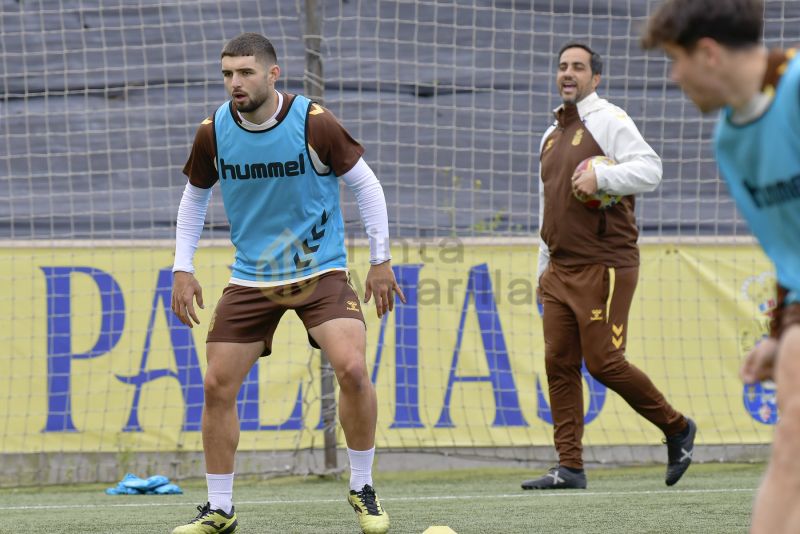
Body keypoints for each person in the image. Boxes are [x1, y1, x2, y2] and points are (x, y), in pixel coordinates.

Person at [169, 32, 403, 534]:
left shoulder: (313, 122)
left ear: (273, 74)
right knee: (216, 385)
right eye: (228, 73)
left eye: (245, 72)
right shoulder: (213, 131)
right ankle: (219, 508)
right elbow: (193, 200)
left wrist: (380, 260)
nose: (235, 82)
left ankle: (362, 488)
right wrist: (181, 268)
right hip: (252, 278)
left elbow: (367, 184)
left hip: (321, 272)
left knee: (353, 369)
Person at [642, 1, 800, 531]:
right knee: (790, 446)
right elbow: (790, 249)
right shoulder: (730, 142)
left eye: (674, 59)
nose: (673, 76)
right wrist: (779, 334)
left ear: (708, 53)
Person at [521, 42, 696, 491]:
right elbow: (549, 210)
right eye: (562, 66)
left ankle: (677, 428)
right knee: (559, 363)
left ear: (594, 79)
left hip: (606, 265)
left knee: (603, 363)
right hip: (559, 270)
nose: (568, 73)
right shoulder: (549, 136)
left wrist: (603, 176)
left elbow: (650, 170)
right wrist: (543, 269)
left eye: (578, 67)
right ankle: (569, 466)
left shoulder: (610, 121)